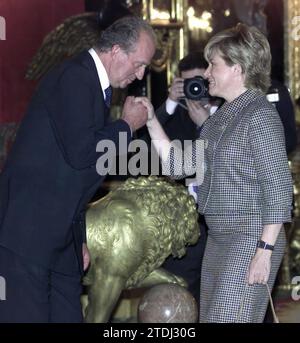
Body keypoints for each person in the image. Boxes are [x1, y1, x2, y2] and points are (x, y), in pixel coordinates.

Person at [0, 15, 156, 323]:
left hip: (59, 233)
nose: (139, 75)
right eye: (138, 64)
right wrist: (126, 126)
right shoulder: (75, 77)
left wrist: (78, 238)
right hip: (27, 231)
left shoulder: (94, 85)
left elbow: (76, 175)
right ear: (115, 51)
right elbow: (83, 152)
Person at [137, 23, 293, 322]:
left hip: (250, 236)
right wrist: (152, 122)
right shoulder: (220, 118)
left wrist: (264, 250)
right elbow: (180, 166)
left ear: (238, 68)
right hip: (220, 237)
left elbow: (278, 187)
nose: (206, 73)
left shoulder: (259, 115)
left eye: (213, 65)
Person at [152, 52, 220, 307]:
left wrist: (206, 123)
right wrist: (170, 101)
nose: (196, 89)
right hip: (182, 220)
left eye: (200, 82)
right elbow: (143, 147)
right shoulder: (174, 114)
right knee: (180, 290)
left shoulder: (227, 113)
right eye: (188, 83)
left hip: (218, 220)